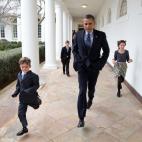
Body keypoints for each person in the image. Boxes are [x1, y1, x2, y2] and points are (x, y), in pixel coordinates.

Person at [72, 14, 110, 128]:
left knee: (91, 88)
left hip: (94, 68)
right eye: (85, 24)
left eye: (90, 23)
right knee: (82, 90)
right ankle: (81, 118)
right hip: (82, 68)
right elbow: (74, 50)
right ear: (83, 24)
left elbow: (106, 51)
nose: (87, 26)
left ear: (94, 24)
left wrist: (99, 65)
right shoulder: (78, 35)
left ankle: (91, 98)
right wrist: (79, 62)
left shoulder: (101, 35)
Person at [11, 57, 41, 136]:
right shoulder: (19, 74)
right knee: (20, 113)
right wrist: (16, 92)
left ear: (29, 66)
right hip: (23, 99)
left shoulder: (34, 76)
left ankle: (38, 102)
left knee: (36, 106)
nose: (24, 68)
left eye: (26, 67)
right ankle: (25, 128)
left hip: (31, 97)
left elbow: (36, 86)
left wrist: (28, 91)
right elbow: (18, 86)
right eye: (22, 67)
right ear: (20, 66)